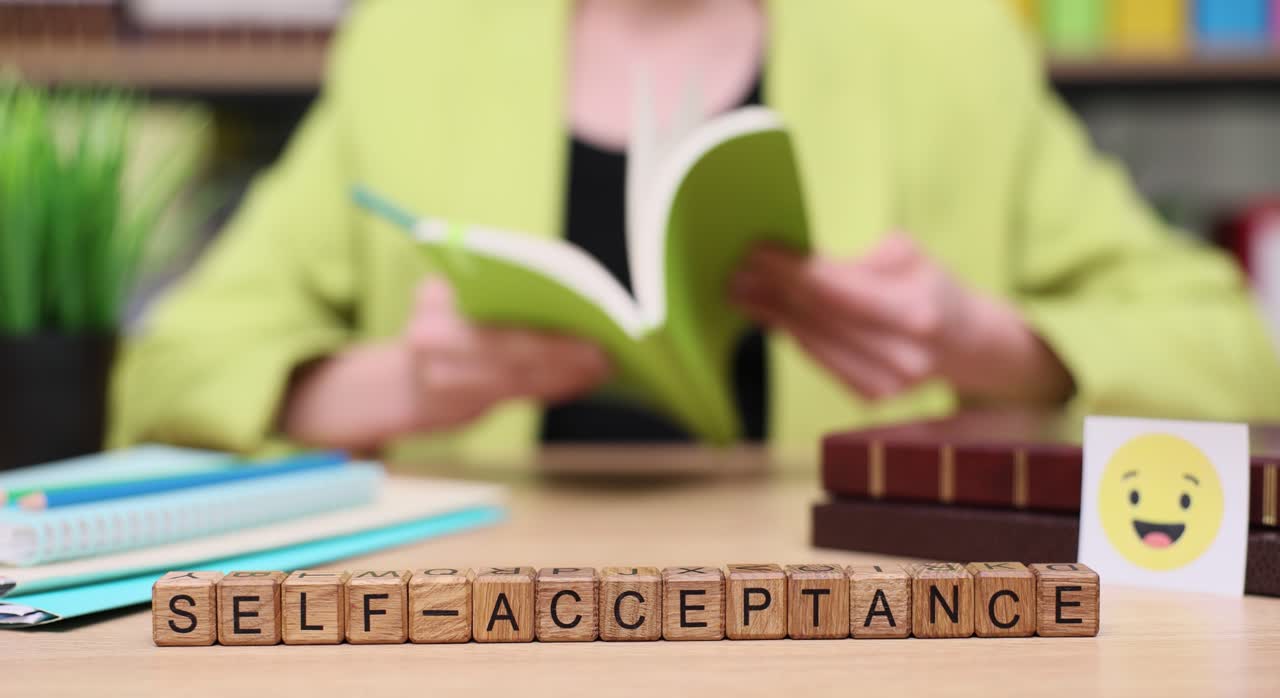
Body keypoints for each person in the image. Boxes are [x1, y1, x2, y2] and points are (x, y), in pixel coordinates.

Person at [110, 0, 1280, 458]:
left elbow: (1231, 354)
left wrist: (994, 347)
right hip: (465, 634)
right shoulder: (416, 42)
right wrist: (400, 382)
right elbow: (166, 374)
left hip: (859, 645)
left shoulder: (944, 41)